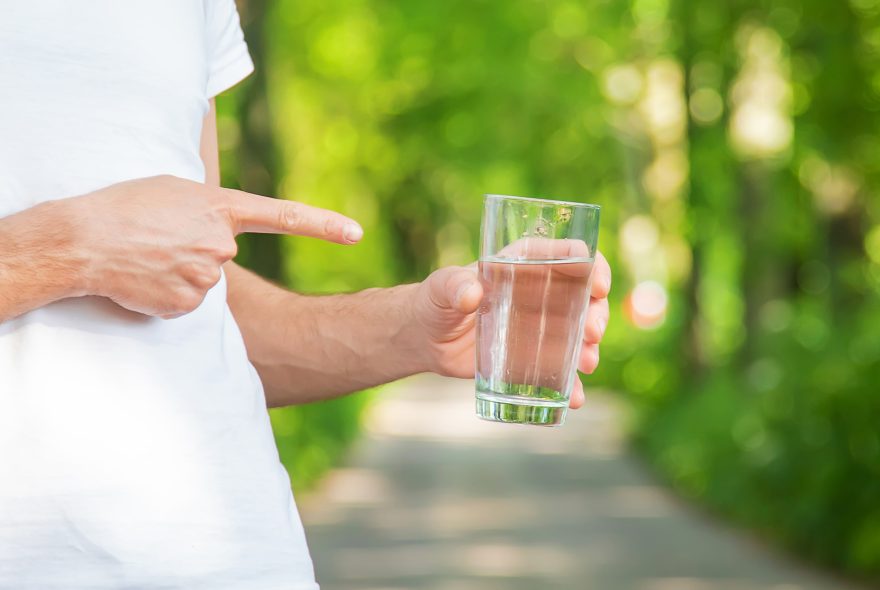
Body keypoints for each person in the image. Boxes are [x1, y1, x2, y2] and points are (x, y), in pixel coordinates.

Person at [0, 1, 612, 588]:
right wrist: (71, 248)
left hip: (242, 558)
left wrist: (415, 329)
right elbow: (112, 248)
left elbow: (198, 305)